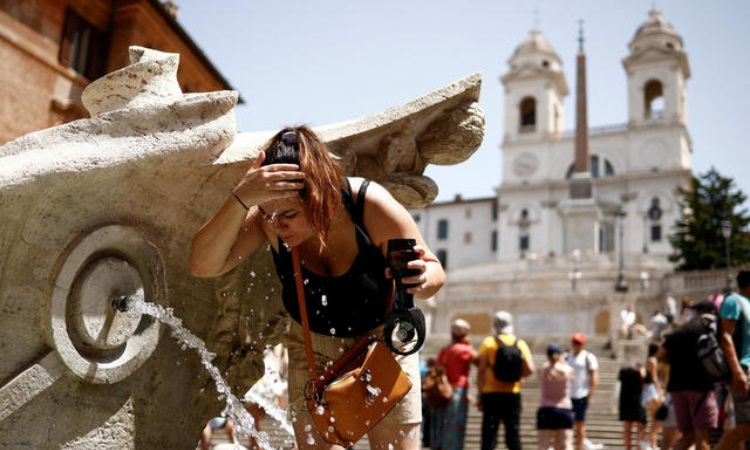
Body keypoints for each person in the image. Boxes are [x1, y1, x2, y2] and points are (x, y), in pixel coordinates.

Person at [190, 126, 446, 450]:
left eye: (289, 214)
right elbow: (203, 265)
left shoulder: (368, 203)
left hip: (383, 342)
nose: (276, 225)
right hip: (312, 349)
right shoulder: (269, 219)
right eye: (267, 214)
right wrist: (241, 197)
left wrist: (423, 277)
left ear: (320, 193)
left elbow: (433, 273)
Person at [656, 301, 719, 450]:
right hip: (700, 386)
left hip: (677, 388)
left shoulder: (679, 331)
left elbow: (660, 356)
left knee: (688, 435)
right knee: (703, 436)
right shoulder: (708, 329)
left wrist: (677, 362)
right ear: (711, 312)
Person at [476, 310, 535, 450]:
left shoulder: (488, 343)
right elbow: (531, 368)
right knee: (513, 434)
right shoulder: (520, 343)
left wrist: (480, 393)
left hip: (491, 394)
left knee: (489, 435)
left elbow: (481, 369)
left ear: (495, 325)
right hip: (512, 394)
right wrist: (521, 377)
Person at [430, 318, 478, 450]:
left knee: (441, 425)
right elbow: (481, 363)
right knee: (455, 426)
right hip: (458, 391)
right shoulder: (465, 350)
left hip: (441, 392)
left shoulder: (444, 350)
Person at [715, 270, 750, 450]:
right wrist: (737, 372)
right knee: (746, 426)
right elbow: (726, 337)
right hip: (745, 370)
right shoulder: (733, 301)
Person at [563, 333, 599, 450]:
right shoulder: (566, 357)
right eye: (574, 342)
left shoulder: (588, 357)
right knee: (565, 425)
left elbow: (594, 376)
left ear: (583, 344)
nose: (576, 345)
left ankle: (579, 448)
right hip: (567, 396)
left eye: (578, 343)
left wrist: (589, 394)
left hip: (581, 395)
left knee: (579, 425)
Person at [536, 343, 575, 450]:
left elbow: (541, 372)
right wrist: (563, 362)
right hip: (563, 409)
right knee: (566, 444)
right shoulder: (566, 370)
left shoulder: (543, 370)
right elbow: (572, 376)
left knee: (543, 445)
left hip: (546, 409)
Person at [617, 362, 646, 450]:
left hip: (625, 400)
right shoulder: (640, 370)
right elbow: (644, 382)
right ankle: (638, 447)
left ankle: (628, 448)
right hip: (637, 400)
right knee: (641, 426)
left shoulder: (623, 371)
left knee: (627, 427)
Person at [641, 343, 664, 450]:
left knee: (655, 418)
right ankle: (651, 442)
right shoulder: (653, 360)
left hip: (648, 390)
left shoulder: (648, 360)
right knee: (658, 418)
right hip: (652, 390)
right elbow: (654, 377)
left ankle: (651, 443)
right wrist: (660, 391)